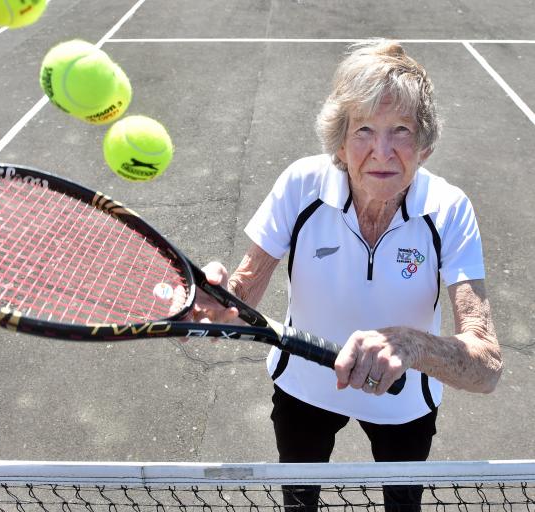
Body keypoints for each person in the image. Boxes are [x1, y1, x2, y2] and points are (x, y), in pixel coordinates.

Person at [186, 39, 503, 511]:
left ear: (426, 145)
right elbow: (242, 290)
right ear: (339, 141)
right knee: (299, 504)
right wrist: (216, 302)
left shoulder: (450, 210)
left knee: (402, 506)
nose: (382, 151)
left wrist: (410, 345)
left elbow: (487, 365)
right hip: (305, 387)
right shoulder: (301, 185)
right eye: (364, 130)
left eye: (401, 130)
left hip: (403, 401)